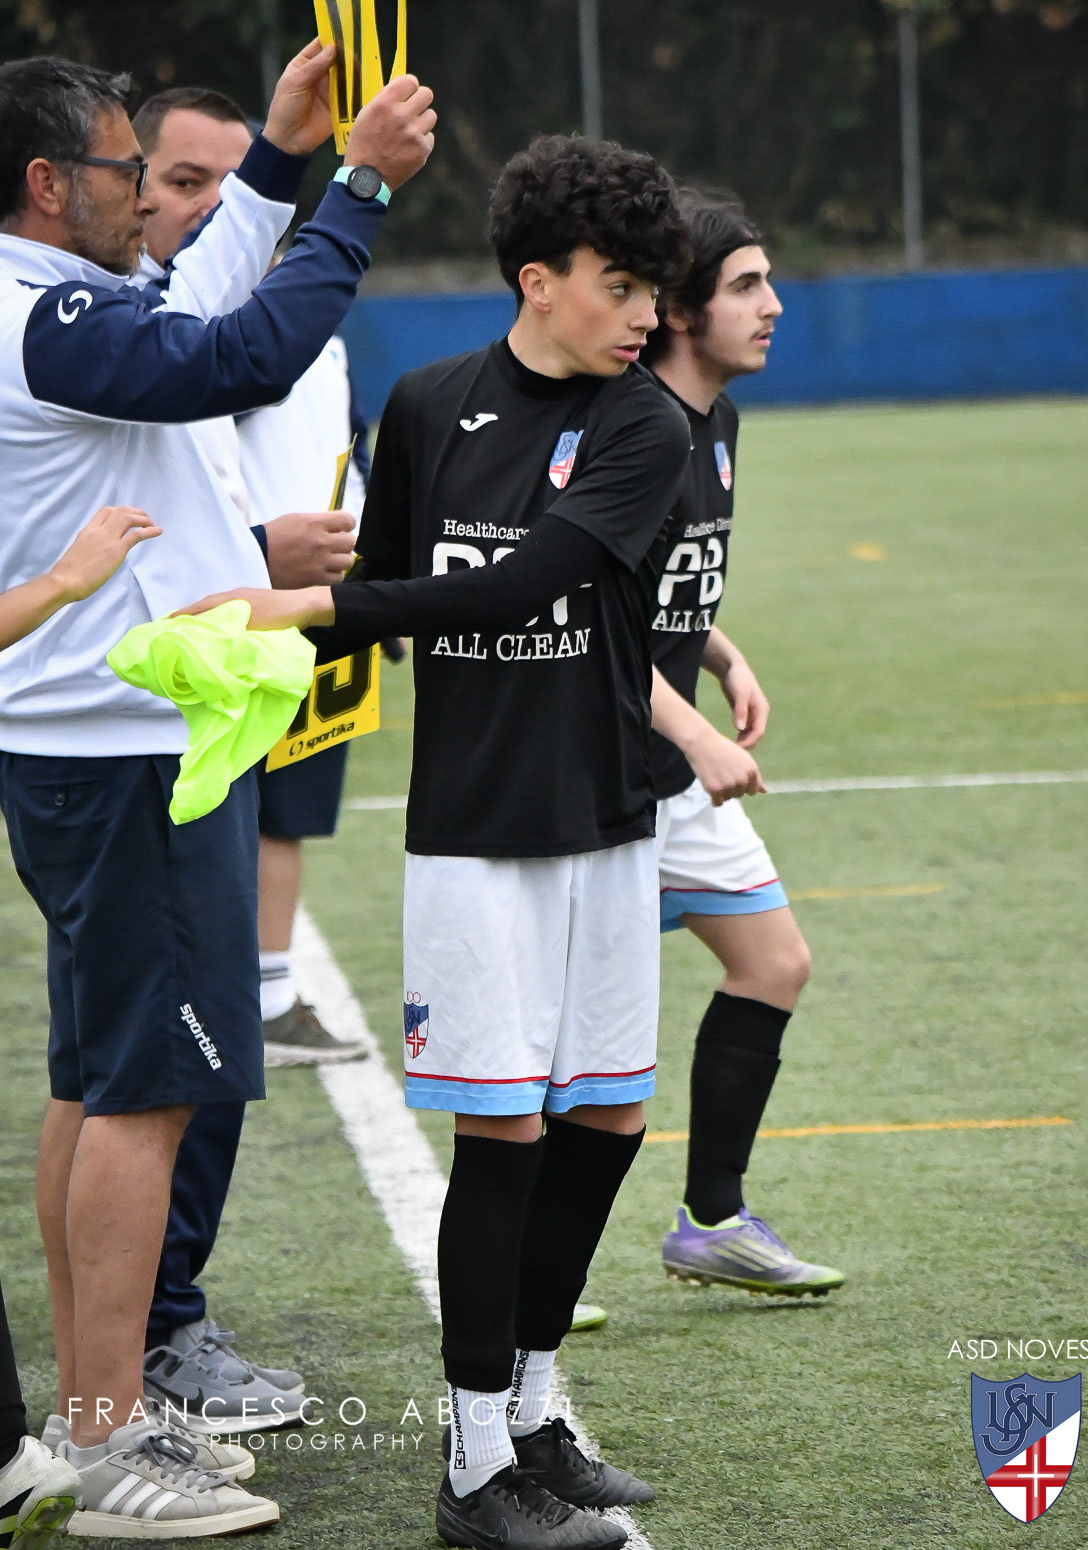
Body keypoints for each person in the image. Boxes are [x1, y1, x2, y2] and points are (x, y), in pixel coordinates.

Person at [182, 133, 709, 1550]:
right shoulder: (427, 402)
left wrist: (306, 610)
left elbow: (519, 584)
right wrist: (249, 624)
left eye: (652, 290)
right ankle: (475, 1467)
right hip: (476, 830)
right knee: (504, 1126)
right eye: (618, 286)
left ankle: (532, 1412)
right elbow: (399, 580)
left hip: (609, 817)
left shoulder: (648, 424)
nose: (644, 314)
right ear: (538, 279)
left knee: (606, 1116)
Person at [0, 42, 435, 1536]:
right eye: (128, 171)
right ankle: (110, 1441)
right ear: (47, 182)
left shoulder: (60, 300)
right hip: (131, 752)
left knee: (96, 1081)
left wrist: (282, 162)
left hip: (95, 744)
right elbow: (239, 356)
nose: (147, 198)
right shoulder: (50, 315)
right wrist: (362, 189)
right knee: (148, 1091)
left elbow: (192, 307)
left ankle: (91, 1411)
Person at [123, 86, 363, 1448]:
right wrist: (258, 557)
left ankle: (147, 1331)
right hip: (156, 727)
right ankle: (153, 1341)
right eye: (180, 180)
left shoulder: (253, 315)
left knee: (181, 1051)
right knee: (176, 1054)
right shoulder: (127, 329)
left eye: (237, 180)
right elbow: (115, 527)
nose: (214, 207)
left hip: (248, 681)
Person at [641, 194, 846, 1297]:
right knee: (567, 1039)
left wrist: (720, 654)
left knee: (773, 962)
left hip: (673, 760)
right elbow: (583, 619)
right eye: (746, 286)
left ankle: (712, 1220)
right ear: (680, 308)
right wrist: (688, 724)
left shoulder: (713, 418)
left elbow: (662, 585)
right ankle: (522, 1268)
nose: (773, 305)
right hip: (595, 771)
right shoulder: (631, 428)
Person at [0, 507, 156, 1550]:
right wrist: (60, 583)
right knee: (126, 1085)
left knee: (90, 1075)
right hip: (83, 735)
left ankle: (50, 1434)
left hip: (59, 737)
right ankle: (87, 1437)